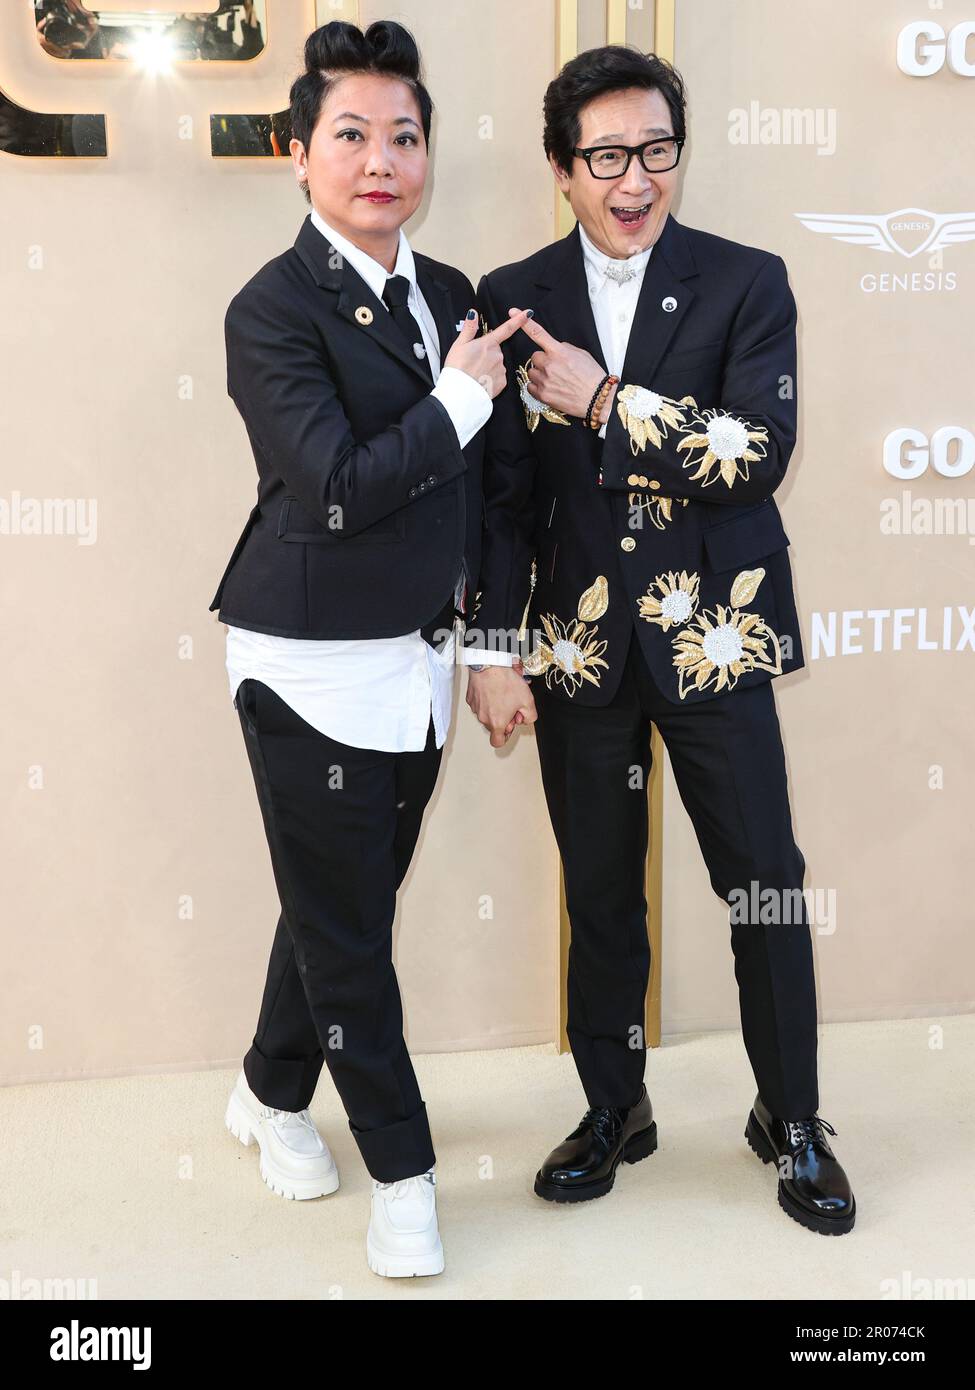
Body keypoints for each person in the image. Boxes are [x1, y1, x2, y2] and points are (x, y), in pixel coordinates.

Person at [464, 44, 855, 1235]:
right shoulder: (515, 294)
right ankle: (612, 1107)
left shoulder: (749, 281)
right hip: (580, 649)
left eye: (657, 150)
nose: (636, 179)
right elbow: (499, 495)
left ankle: (792, 1119)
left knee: (767, 888)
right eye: (607, 157)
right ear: (561, 168)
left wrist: (604, 401)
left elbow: (755, 456)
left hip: (716, 637)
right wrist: (489, 645)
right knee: (601, 896)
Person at [208, 19, 531, 1278]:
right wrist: (457, 398)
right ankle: (405, 1174)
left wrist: (492, 645)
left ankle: (267, 1090)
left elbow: (492, 499)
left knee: (338, 906)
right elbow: (334, 486)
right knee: (352, 934)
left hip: (418, 669)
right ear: (299, 153)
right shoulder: (271, 308)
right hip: (304, 664)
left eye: (405, 134)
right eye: (351, 134)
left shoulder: (451, 296)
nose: (381, 158)